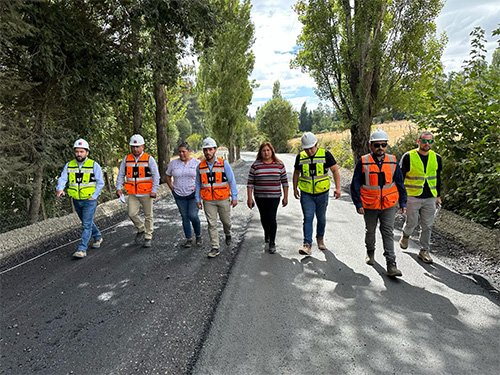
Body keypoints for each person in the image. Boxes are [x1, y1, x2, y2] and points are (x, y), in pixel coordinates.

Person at [350, 129, 407, 277]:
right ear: (371, 146)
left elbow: (400, 183)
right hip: (369, 205)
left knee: (387, 232)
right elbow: (355, 185)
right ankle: (370, 252)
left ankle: (391, 264)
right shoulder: (363, 161)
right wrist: (358, 204)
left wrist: (403, 202)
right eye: (377, 145)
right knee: (370, 230)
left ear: (386, 145)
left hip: (388, 204)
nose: (380, 148)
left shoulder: (393, 161)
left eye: (383, 145)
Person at [293, 132, 341, 255]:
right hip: (306, 193)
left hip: (322, 193)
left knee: (321, 217)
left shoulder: (326, 155)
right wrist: (294, 188)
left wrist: (338, 188)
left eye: (311, 148)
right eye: (306, 149)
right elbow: (296, 173)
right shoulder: (300, 157)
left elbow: (335, 170)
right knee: (308, 218)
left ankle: (320, 239)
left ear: (316, 144)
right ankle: (307, 244)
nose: (309, 151)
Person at [399, 131, 442, 264]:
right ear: (418, 141)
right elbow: (401, 177)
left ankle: (424, 251)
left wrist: (438, 196)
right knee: (412, 222)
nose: (427, 144)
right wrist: (401, 198)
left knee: (427, 225)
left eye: (429, 141)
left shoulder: (437, 157)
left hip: (430, 197)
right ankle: (406, 235)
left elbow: (438, 178)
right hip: (412, 196)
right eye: (424, 141)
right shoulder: (408, 156)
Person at [57, 139, 105, 258]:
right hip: (76, 199)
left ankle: (82, 249)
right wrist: (60, 189)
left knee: (86, 224)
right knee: (86, 222)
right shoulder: (70, 165)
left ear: (87, 152)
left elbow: (100, 183)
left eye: (82, 151)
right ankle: (98, 236)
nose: (79, 154)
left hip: (89, 200)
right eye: (77, 151)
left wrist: (94, 196)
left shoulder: (94, 165)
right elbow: (63, 178)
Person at [195, 137, 238, 258]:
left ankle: (227, 233)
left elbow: (232, 180)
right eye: (205, 150)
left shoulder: (223, 164)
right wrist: (197, 199)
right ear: (203, 151)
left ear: (215, 150)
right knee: (211, 224)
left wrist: (234, 196)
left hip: (223, 198)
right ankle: (215, 247)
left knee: (226, 221)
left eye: (210, 149)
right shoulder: (200, 167)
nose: (208, 152)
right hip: (208, 200)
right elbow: (198, 184)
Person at [116, 134, 160, 248]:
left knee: (148, 215)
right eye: (133, 146)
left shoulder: (149, 159)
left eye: (137, 146)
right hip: (133, 193)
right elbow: (121, 174)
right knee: (131, 213)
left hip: (147, 192)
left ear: (142, 146)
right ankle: (141, 228)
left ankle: (148, 236)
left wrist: (154, 190)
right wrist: (118, 188)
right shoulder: (127, 159)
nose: (135, 149)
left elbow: (156, 176)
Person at [247, 142, 289, 254]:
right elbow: (250, 183)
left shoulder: (279, 165)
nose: (266, 153)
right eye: (264, 150)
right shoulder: (255, 165)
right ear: (260, 152)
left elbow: (285, 182)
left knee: (271, 217)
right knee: (264, 217)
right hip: (260, 197)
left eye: (268, 150)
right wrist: (249, 198)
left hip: (274, 196)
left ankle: (272, 242)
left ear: (272, 151)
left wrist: (286, 197)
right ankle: (267, 232)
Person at [165, 142, 202, 248]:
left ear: (189, 152)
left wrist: (198, 187)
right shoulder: (173, 163)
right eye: (179, 152)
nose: (181, 154)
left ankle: (198, 235)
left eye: (184, 152)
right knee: (184, 216)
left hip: (193, 194)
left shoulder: (196, 163)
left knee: (193, 215)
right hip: (179, 194)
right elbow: (167, 175)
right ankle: (189, 239)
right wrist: (171, 187)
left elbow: (203, 177)